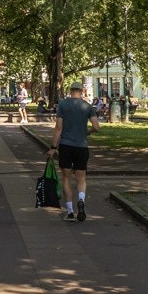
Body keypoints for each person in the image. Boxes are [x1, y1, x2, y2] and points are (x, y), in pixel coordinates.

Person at [51, 83, 99, 222]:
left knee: (66, 178)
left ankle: (70, 211)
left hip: (66, 145)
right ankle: (81, 200)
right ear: (81, 91)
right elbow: (96, 127)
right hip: (81, 146)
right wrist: (86, 132)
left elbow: (58, 128)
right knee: (81, 178)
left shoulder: (63, 105)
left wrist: (53, 147)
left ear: (71, 91)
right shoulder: (87, 106)